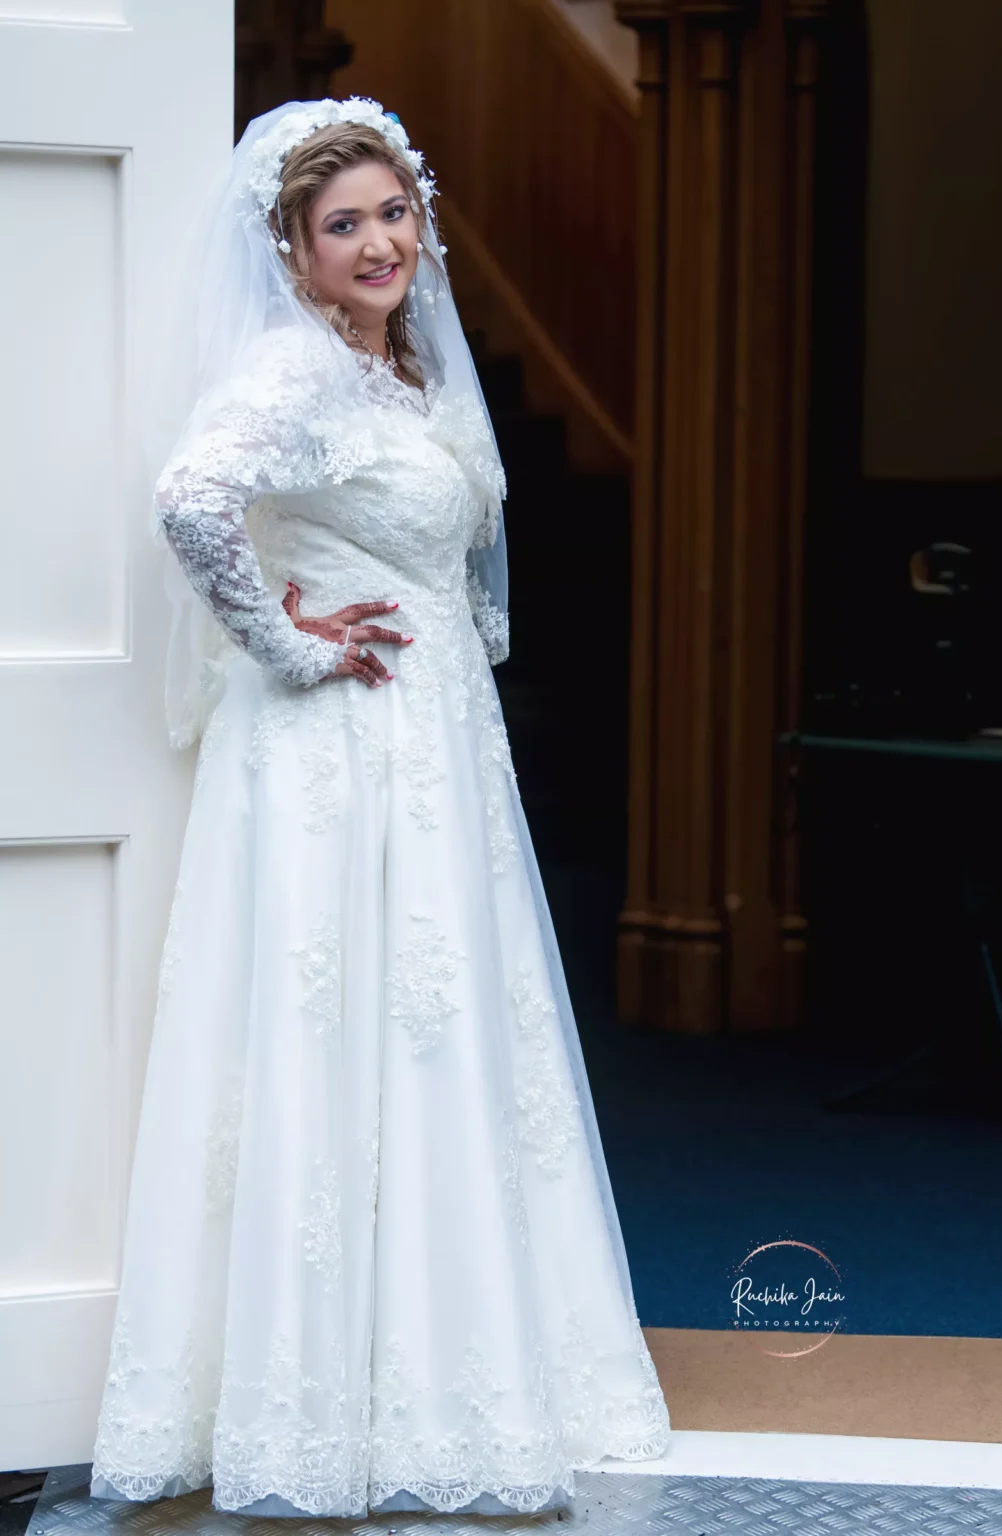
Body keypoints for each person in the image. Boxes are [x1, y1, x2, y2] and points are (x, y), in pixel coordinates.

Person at [88, 97, 670, 1519]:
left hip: (436, 744)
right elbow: (193, 495)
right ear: (288, 249)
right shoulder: (295, 371)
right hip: (341, 752)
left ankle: (455, 1352)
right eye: (341, 223)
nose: (377, 242)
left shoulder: (403, 376)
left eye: (392, 213)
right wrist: (288, 642)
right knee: (344, 1033)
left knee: (440, 1033)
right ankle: (320, 1395)